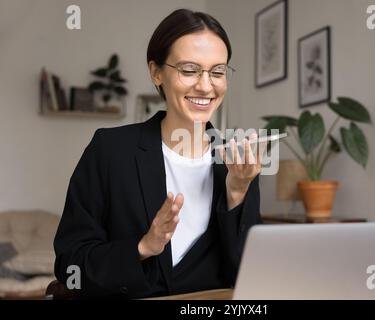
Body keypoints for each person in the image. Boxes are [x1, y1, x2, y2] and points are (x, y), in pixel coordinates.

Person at [53, 9, 262, 299]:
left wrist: (237, 193)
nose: (205, 85)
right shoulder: (110, 150)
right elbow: (70, 266)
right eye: (189, 69)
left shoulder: (237, 163)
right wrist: (142, 247)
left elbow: (249, 277)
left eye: (217, 71)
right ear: (156, 72)